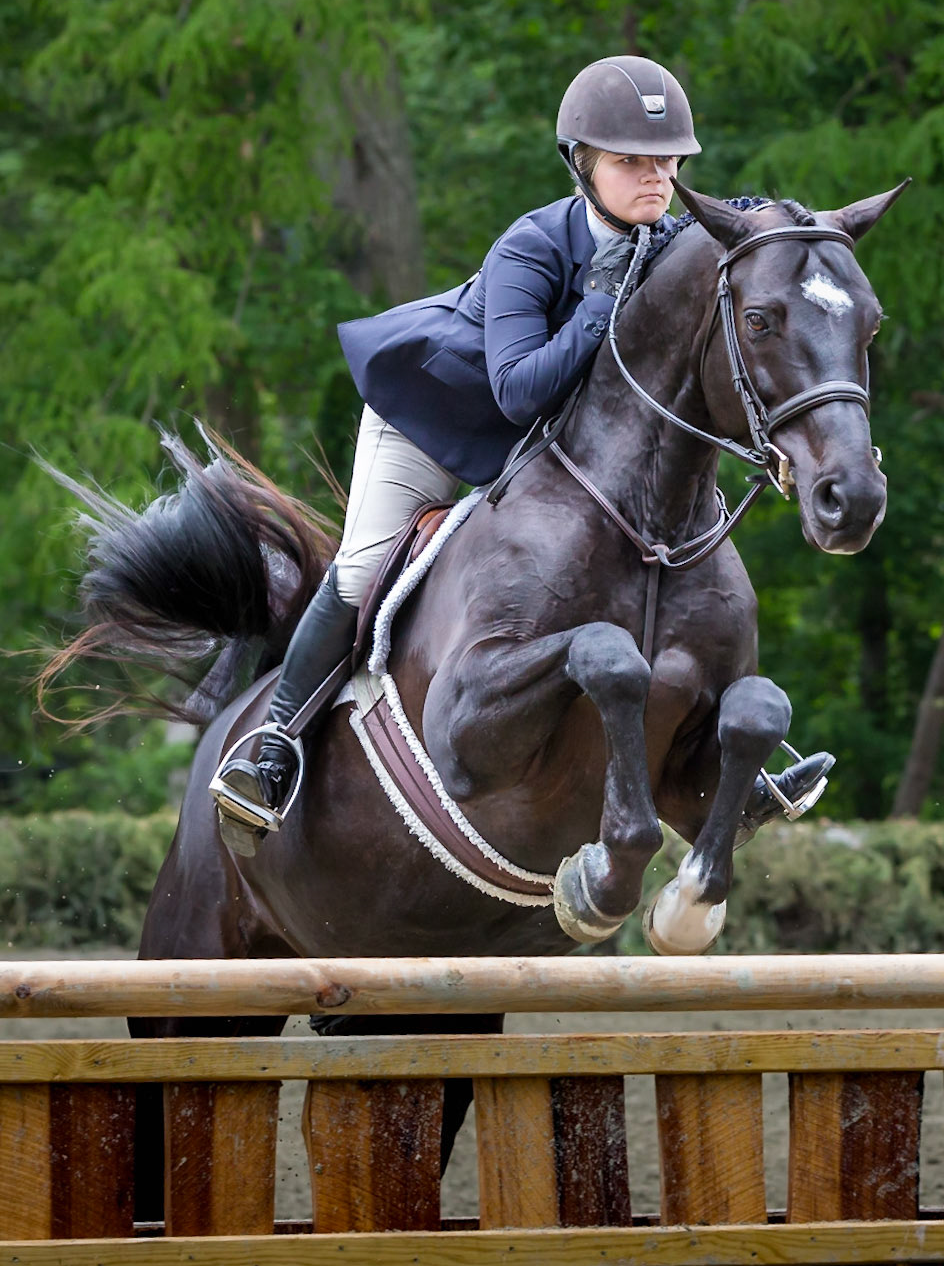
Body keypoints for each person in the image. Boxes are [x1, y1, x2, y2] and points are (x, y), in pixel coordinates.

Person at [211, 55, 701, 848]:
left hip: (531, 459)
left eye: (667, 161)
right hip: (433, 426)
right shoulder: (531, 247)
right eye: (630, 162)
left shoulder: (668, 240)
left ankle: (708, 746)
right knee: (366, 564)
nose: (655, 177)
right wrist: (601, 300)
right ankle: (272, 749)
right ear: (581, 164)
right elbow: (517, 390)